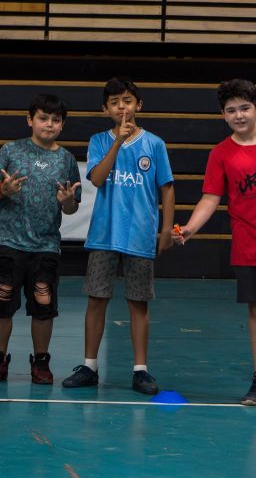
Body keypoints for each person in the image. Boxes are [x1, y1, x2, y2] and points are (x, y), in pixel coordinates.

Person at [62, 78, 174, 396]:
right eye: (114, 102)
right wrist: (116, 144)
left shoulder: (154, 144)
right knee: (97, 300)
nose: (121, 107)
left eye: (127, 100)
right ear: (105, 109)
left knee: (138, 303)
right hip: (104, 235)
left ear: (138, 104)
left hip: (139, 235)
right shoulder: (99, 140)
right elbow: (96, 179)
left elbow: (167, 188)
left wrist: (166, 228)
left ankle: (140, 370)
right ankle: (89, 366)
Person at [175, 79, 256, 406]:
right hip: (251, 244)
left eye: (245, 108)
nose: (239, 115)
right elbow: (210, 197)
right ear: (223, 115)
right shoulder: (221, 154)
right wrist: (189, 228)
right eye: (231, 110)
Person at [0, 94, 81, 385]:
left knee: (43, 302)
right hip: (7, 242)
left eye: (56, 120)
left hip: (46, 245)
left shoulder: (66, 160)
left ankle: (41, 362)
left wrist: (67, 202)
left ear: (62, 125)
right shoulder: (11, 151)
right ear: (30, 120)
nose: (49, 125)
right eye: (43, 118)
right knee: (2, 301)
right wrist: (3, 190)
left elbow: (72, 206)